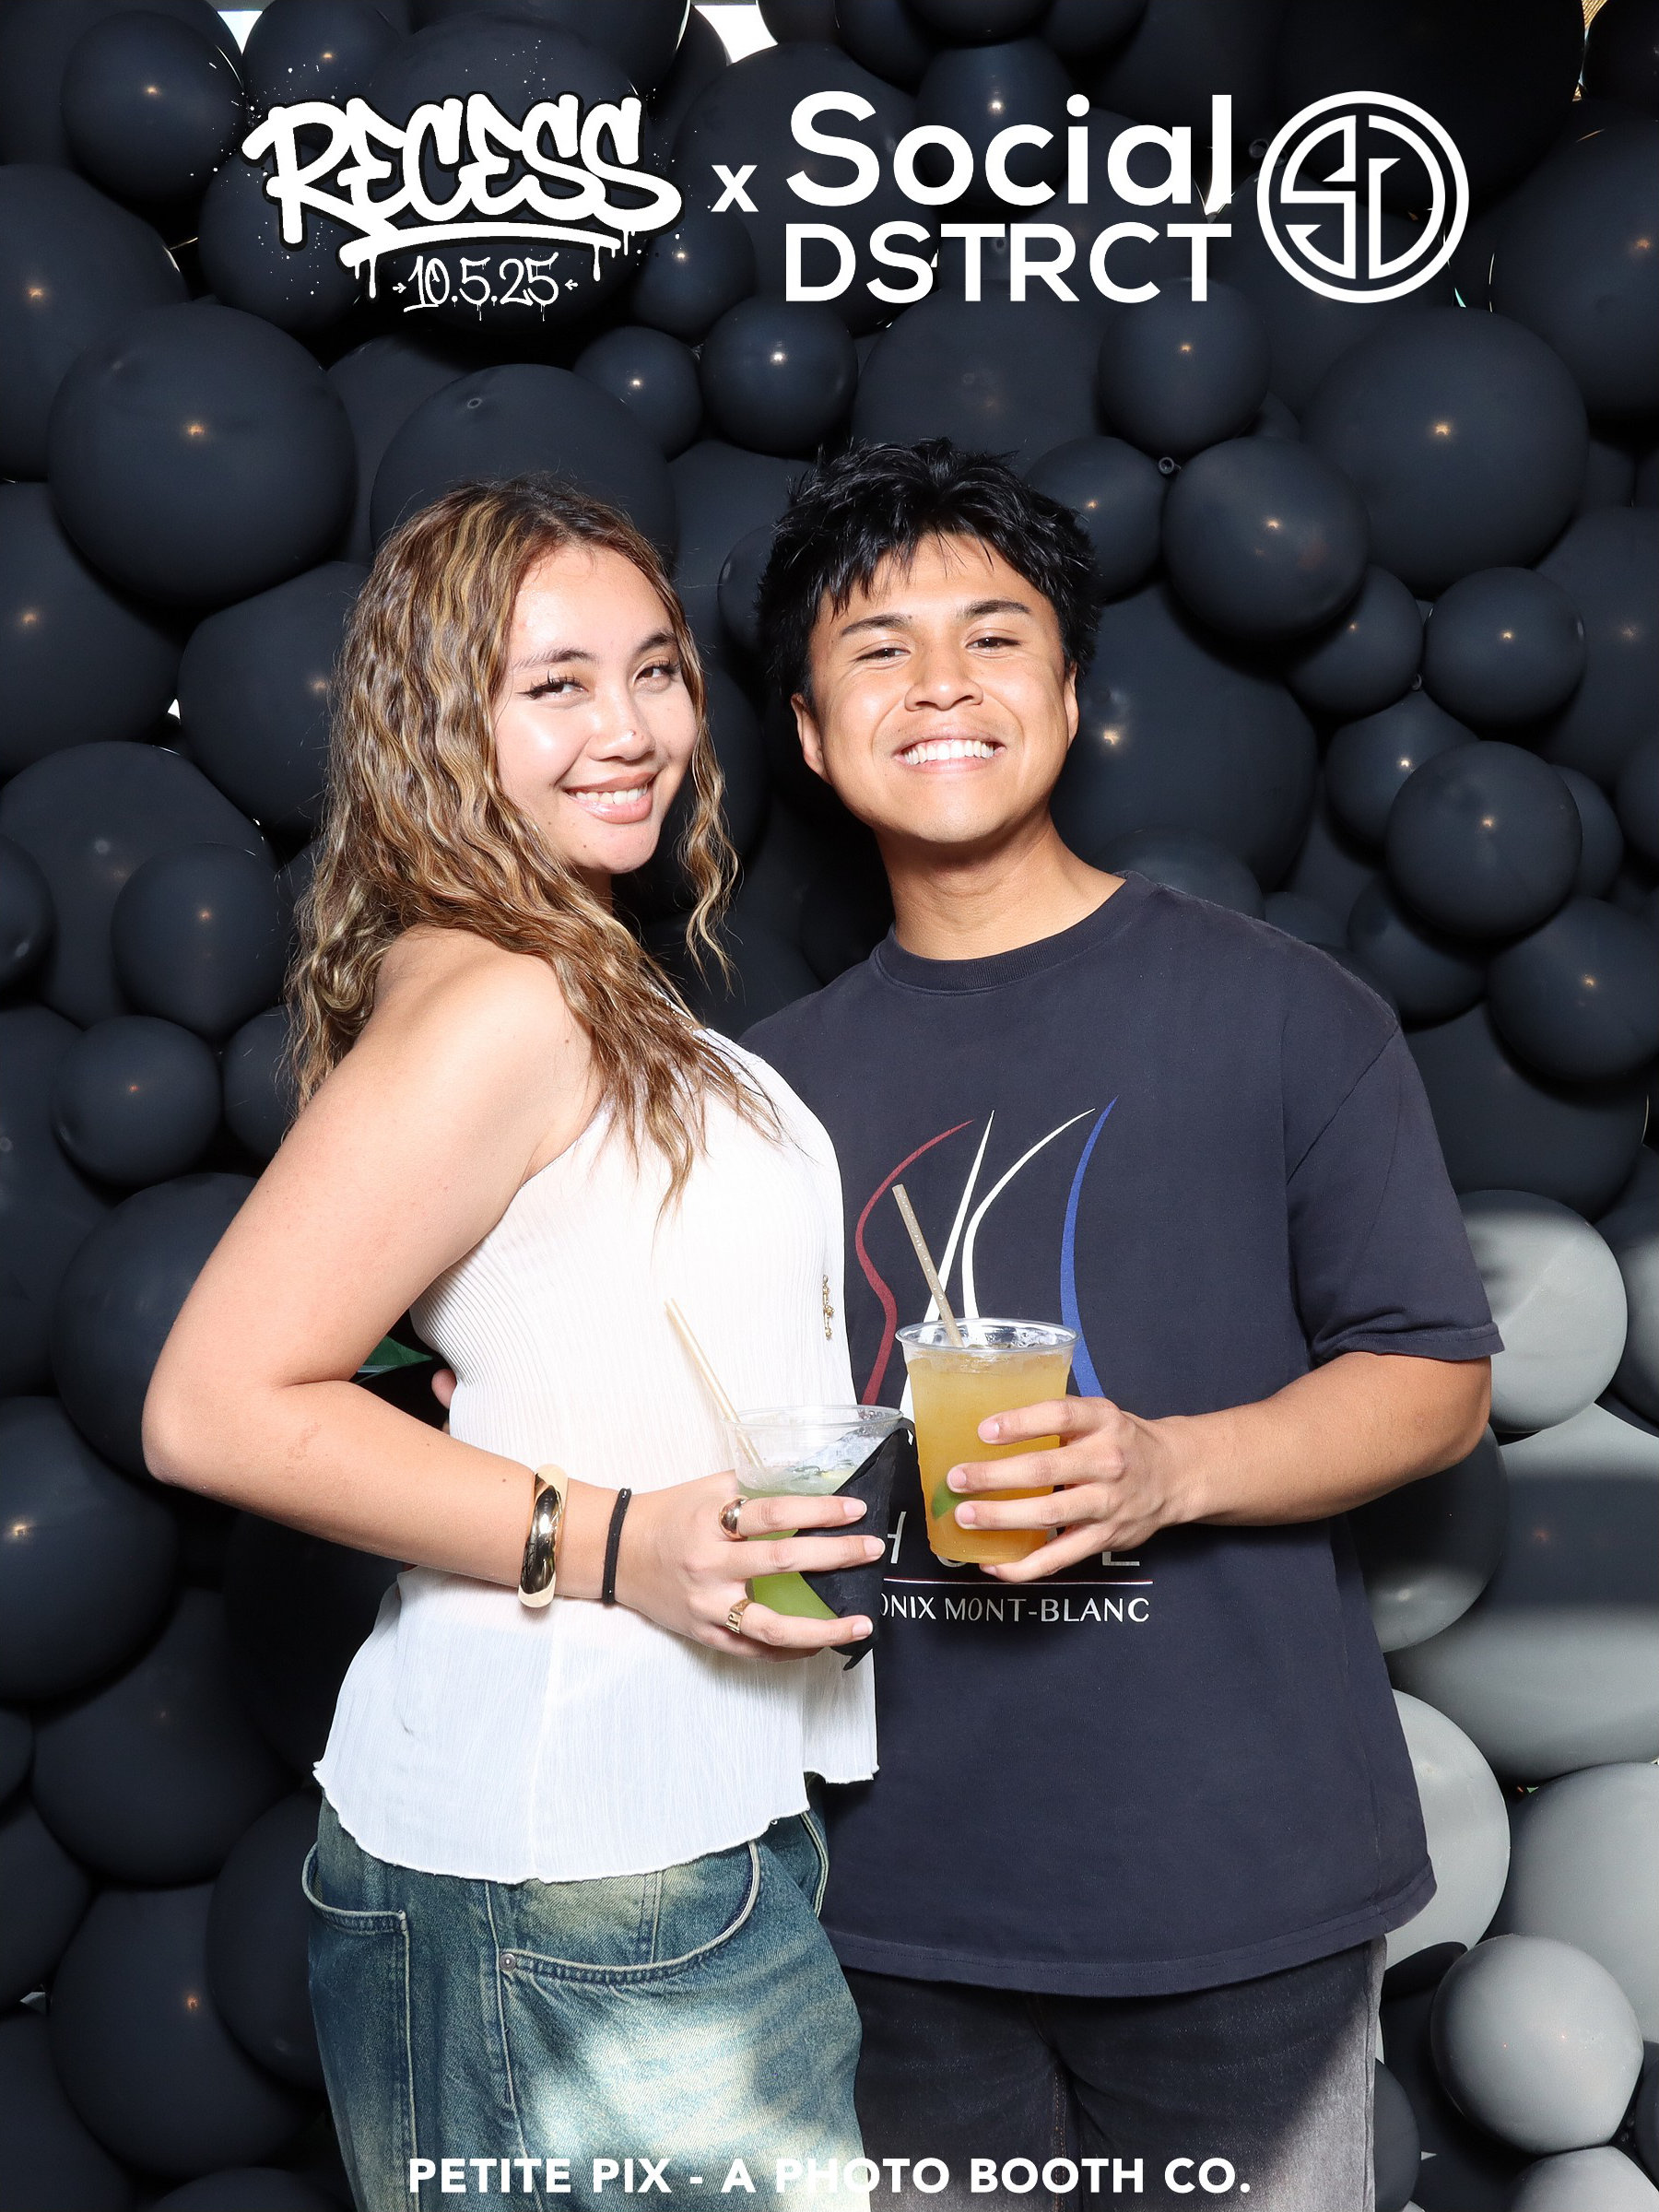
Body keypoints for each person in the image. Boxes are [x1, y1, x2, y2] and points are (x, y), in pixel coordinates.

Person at [740, 440, 1500, 2212]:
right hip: (886, 1907)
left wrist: (1167, 1468)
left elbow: (1437, 1382)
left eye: (995, 638)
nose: (942, 684)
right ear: (810, 734)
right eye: (878, 650)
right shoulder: (762, 1099)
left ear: (1071, 699)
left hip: (1236, 1890)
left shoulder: (1287, 1016)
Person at [143, 477, 888, 2212]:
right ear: (441, 721)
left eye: (653, 671)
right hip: (577, 1877)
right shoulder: (509, 998)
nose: (628, 730)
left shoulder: (567, 975)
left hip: (652, 1846)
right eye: (554, 685)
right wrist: (620, 1541)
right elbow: (212, 1404)